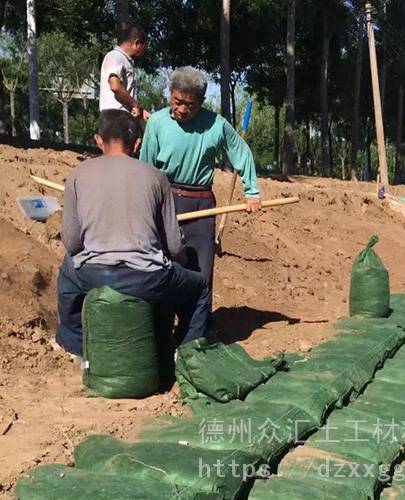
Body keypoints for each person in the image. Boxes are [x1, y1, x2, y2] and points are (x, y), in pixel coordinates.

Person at [56, 110, 211, 358]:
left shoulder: (77, 175)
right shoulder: (156, 177)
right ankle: (187, 351)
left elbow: (72, 242)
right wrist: (177, 264)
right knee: (200, 287)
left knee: (67, 273)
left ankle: (75, 349)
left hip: (94, 275)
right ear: (137, 143)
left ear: (98, 140)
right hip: (148, 278)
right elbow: (174, 246)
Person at [140, 67, 261, 296]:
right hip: (166, 202)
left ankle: (198, 329)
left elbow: (241, 152)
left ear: (202, 101)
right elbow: (146, 168)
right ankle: (163, 328)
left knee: (201, 272)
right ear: (170, 93)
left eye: (190, 105)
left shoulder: (216, 124)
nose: (182, 109)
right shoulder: (156, 123)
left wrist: (251, 191)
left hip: (201, 205)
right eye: (177, 102)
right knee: (162, 268)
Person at [99, 26, 149, 120]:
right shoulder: (115, 56)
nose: (143, 53)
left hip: (123, 117)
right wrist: (134, 104)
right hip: (114, 118)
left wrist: (140, 111)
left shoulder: (126, 61)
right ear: (137, 43)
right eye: (143, 49)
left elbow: (125, 95)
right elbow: (115, 86)